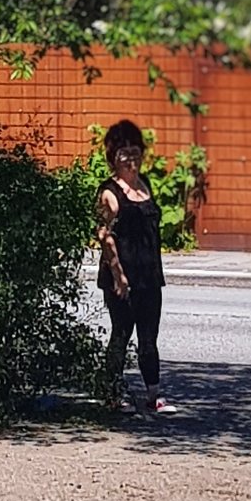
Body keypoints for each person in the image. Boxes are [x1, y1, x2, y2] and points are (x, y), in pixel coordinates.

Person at [97, 120, 169, 414]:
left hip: (149, 275)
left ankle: (153, 395)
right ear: (113, 156)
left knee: (149, 337)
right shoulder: (109, 192)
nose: (131, 157)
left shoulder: (146, 185)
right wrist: (118, 275)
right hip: (122, 278)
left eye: (135, 150)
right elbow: (104, 235)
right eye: (123, 152)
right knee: (121, 334)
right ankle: (111, 394)